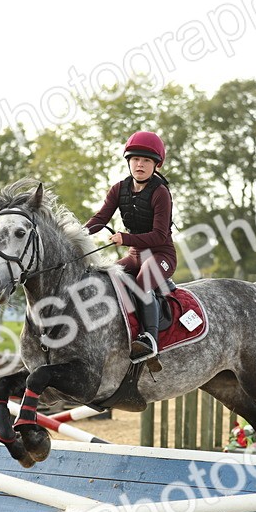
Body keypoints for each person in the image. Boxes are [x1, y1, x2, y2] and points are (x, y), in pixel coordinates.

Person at [84, 130, 176, 362]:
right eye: (135, 159)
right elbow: (100, 219)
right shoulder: (118, 189)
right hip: (135, 255)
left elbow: (158, 236)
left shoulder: (161, 193)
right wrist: (76, 234)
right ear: (128, 162)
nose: (140, 165)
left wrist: (125, 239)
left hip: (161, 255)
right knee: (105, 278)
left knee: (143, 281)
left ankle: (150, 340)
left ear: (156, 165)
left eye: (146, 160)